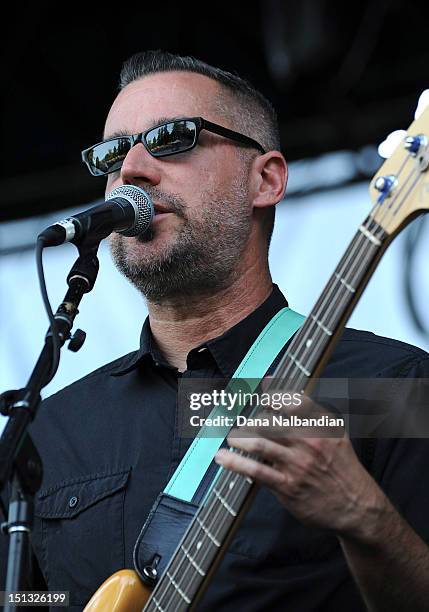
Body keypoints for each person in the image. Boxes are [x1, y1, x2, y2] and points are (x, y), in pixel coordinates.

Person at [1, 49, 429, 611]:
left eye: (172, 138)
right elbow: (34, 598)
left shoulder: (389, 391)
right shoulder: (53, 433)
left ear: (266, 180)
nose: (129, 169)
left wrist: (364, 518)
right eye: (111, 154)